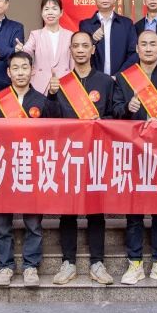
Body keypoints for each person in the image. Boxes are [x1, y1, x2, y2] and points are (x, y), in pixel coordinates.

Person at [47, 30, 124, 286]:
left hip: (96, 154)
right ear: (70, 51)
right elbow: (50, 120)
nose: (80, 50)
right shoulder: (61, 83)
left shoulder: (106, 82)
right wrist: (51, 94)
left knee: (96, 210)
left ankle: (97, 263)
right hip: (68, 154)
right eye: (76, 46)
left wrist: (102, 121)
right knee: (67, 210)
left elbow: (116, 115)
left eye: (85, 46)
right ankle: (68, 262)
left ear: (92, 49)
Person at [114, 29, 157, 285]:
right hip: (133, 153)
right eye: (143, 44)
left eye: (153, 44)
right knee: (133, 211)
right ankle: (134, 264)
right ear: (137, 49)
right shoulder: (125, 78)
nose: (148, 48)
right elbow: (114, 110)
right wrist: (127, 108)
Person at [0, 51, 55, 287]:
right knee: (2, 223)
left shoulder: (43, 101)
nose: (20, 73)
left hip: (31, 167)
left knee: (33, 223)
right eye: (16, 68)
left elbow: (54, 132)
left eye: (25, 68)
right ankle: (5, 266)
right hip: (3, 168)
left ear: (32, 71)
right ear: (8, 72)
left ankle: (31, 266)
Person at [77, 0, 138, 77]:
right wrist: (93, 40)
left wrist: (119, 76)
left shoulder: (127, 24)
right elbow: (81, 54)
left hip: (121, 79)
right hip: (94, 80)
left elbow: (134, 53)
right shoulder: (86, 25)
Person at [20, 0, 73, 95]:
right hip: (40, 84)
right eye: (46, 9)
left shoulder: (70, 35)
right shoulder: (35, 34)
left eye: (54, 9)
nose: (50, 12)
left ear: (61, 12)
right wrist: (21, 49)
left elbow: (73, 64)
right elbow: (27, 51)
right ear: (42, 13)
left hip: (65, 83)